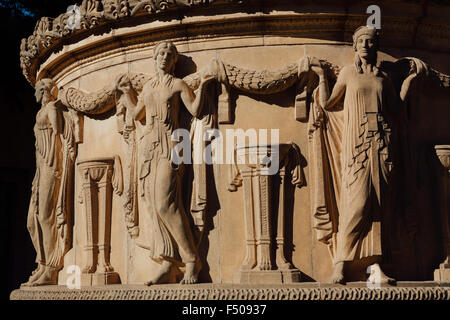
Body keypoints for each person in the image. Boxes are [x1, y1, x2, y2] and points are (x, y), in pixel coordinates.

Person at [309, 26, 421, 284]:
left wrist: (408, 82)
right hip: (357, 145)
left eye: (371, 42)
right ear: (354, 46)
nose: (366, 46)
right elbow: (328, 104)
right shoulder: (349, 73)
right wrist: (321, 78)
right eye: (361, 42)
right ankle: (340, 263)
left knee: (381, 205)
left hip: (382, 143)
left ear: (376, 46)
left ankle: (376, 264)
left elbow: (397, 108)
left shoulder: (383, 77)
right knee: (357, 204)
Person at [116, 41, 214, 285]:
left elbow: (193, 109)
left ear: (174, 61)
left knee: (165, 204)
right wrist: (127, 92)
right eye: (161, 53)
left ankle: (192, 260)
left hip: (172, 144)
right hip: (150, 146)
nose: (164, 57)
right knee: (152, 205)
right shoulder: (148, 86)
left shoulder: (177, 84)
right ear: (155, 57)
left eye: (170, 55)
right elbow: (137, 112)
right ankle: (169, 262)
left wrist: (203, 87)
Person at [23, 78, 75, 286]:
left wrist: (59, 167)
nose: (35, 92)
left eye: (38, 88)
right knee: (32, 220)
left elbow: (60, 134)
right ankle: (42, 263)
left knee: (46, 216)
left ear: (43, 90)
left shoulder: (52, 108)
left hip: (52, 166)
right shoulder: (40, 111)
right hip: (41, 167)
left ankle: (52, 269)